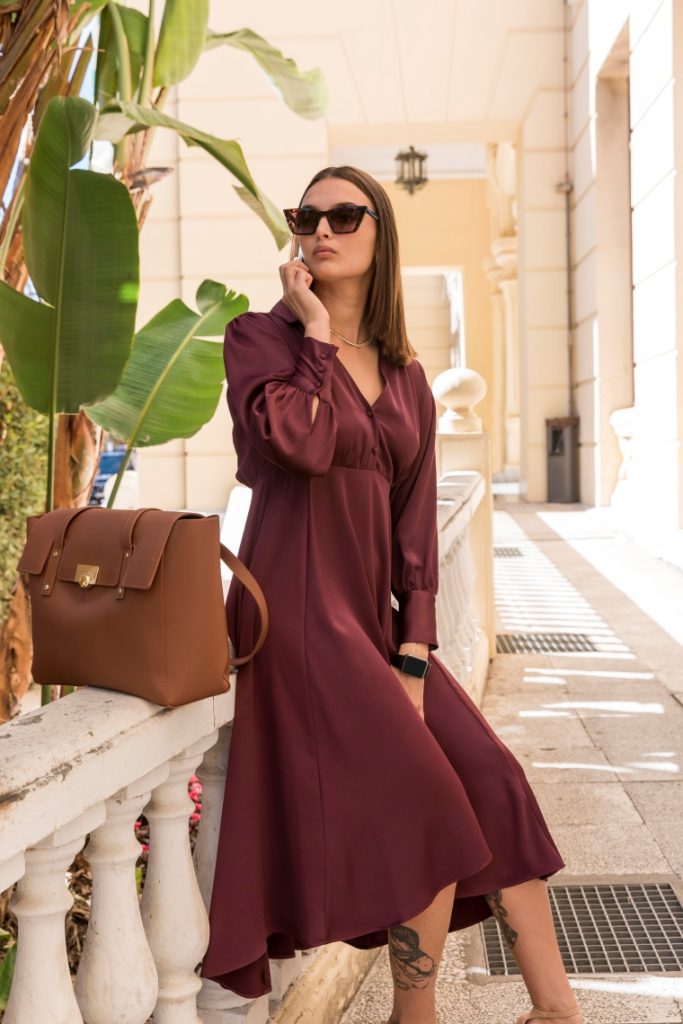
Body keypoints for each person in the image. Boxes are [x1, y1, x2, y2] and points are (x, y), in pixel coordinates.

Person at [200, 165, 583, 1024]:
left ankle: (556, 1009)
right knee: (429, 809)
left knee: (491, 777)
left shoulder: (409, 376)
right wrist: (314, 332)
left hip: (370, 626)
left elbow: (414, 532)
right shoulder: (258, 341)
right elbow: (294, 444)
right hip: (295, 618)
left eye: (345, 215)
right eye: (308, 216)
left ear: (380, 236)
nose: (321, 230)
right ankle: (416, 1016)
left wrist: (413, 650)